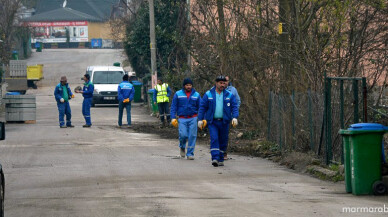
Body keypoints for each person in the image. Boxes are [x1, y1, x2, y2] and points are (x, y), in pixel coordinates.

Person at [198, 75, 239, 167]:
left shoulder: (229, 95)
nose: (222, 85)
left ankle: (220, 157)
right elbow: (202, 107)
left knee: (223, 140)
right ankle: (215, 158)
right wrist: (200, 119)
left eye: (224, 83)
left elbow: (234, 107)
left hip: (224, 122)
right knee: (214, 138)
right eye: (220, 83)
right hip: (213, 122)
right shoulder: (208, 94)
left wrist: (235, 117)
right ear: (216, 83)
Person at [170, 78, 201, 160]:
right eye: (187, 85)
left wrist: (202, 118)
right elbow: (173, 106)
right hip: (182, 118)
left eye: (190, 85)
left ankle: (190, 153)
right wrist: (173, 118)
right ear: (184, 86)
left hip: (193, 118)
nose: (188, 87)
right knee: (183, 135)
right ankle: (182, 147)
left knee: (192, 136)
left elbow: (201, 108)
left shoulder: (196, 95)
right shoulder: (178, 94)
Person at [224, 75, 241, 160]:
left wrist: (234, 114)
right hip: (216, 117)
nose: (224, 82)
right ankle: (217, 152)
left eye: (226, 81)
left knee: (225, 135)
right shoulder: (214, 90)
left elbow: (237, 101)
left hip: (228, 117)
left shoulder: (233, 90)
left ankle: (224, 153)